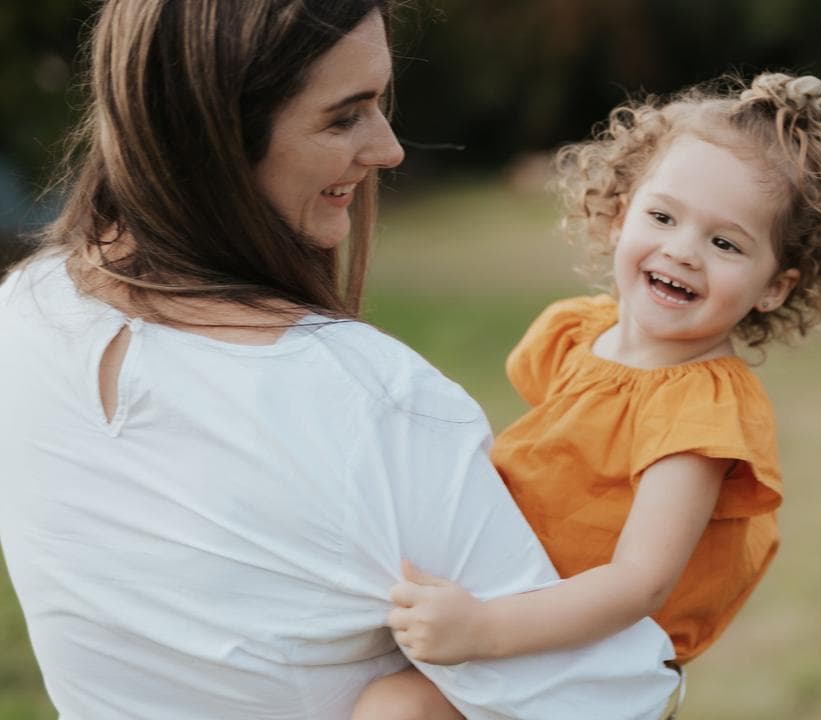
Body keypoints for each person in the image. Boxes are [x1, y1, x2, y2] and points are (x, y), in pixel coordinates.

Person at [0, 1, 680, 718]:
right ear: (213, 136)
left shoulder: (22, 313)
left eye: (379, 105)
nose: (388, 150)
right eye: (344, 116)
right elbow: (601, 703)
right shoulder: (371, 403)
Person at [355, 71, 821, 717]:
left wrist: (484, 631)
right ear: (618, 214)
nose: (683, 251)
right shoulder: (580, 332)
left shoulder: (701, 409)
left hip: (594, 655)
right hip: (526, 602)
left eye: (724, 243)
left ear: (774, 286)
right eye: (662, 216)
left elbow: (640, 581)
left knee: (397, 707)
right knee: (390, 704)